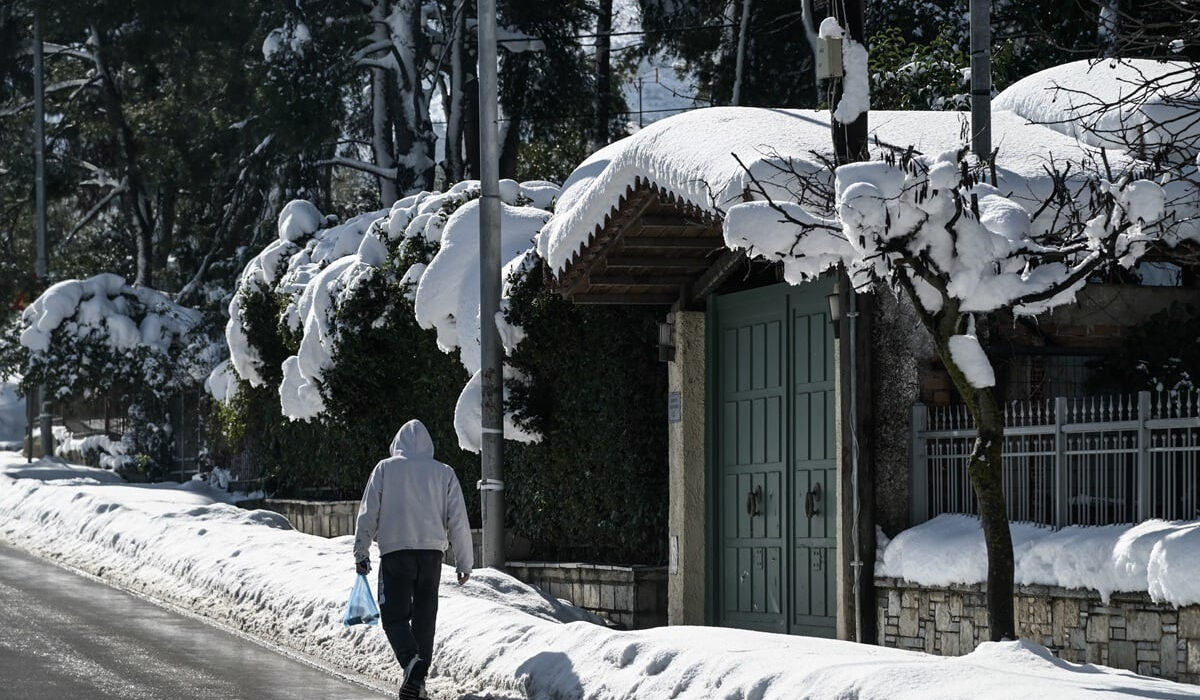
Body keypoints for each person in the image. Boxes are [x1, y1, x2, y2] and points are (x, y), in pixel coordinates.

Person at [354, 419, 473, 700]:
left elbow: (368, 512)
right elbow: (458, 520)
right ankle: (418, 682)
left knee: (394, 616)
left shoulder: (385, 468)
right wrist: (464, 562)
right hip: (432, 556)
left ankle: (411, 663)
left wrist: (361, 552)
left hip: (396, 553)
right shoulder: (444, 472)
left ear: (397, 444)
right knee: (424, 618)